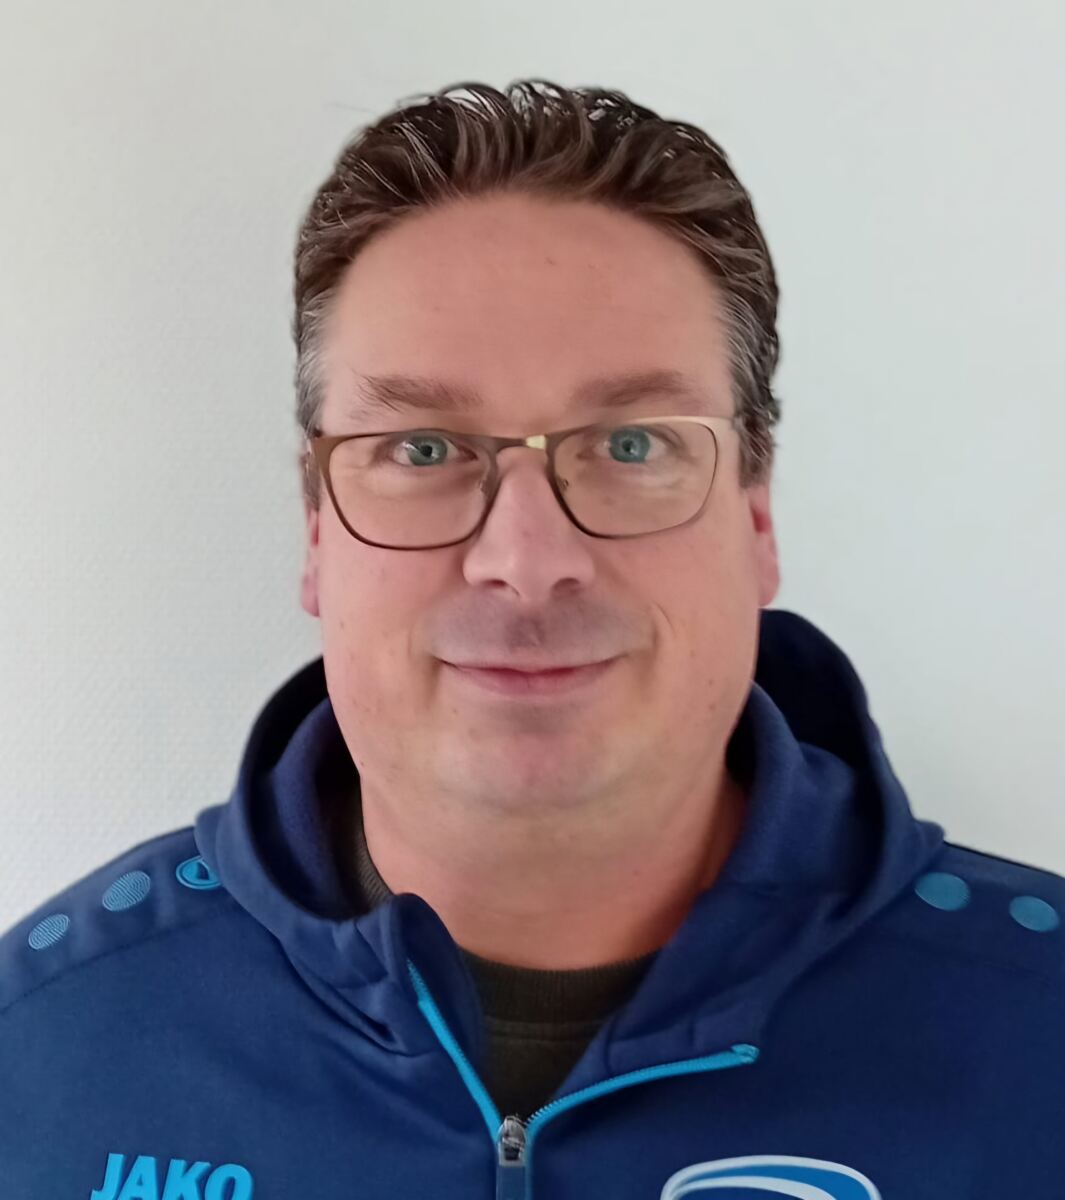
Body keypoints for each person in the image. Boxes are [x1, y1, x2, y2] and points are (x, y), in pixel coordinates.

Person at [2, 79, 1062, 1200]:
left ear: (756, 518)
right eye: (422, 449)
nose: (525, 557)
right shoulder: (41, 1054)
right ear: (316, 530)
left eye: (634, 443)